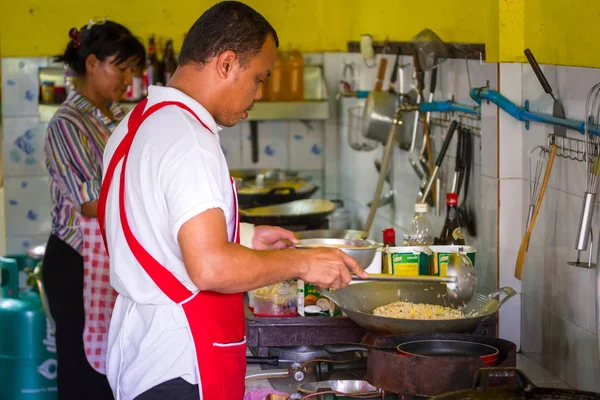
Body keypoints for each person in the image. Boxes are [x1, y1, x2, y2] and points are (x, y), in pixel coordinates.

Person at [99, 2, 367, 400]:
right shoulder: (190, 138)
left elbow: (152, 221)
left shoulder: (140, 121)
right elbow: (210, 267)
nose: (259, 92)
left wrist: (244, 235)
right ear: (226, 63)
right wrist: (304, 263)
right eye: (258, 78)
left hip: (142, 354)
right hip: (180, 362)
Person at [43, 19, 145, 400]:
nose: (128, 79)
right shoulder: (67, 124)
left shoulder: (119, 117)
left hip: (112, 256)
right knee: (82, 369)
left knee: (115, 364)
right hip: (77, 262)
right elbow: (89, 203)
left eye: (132, 69)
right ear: (91, 64)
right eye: (120, 67)